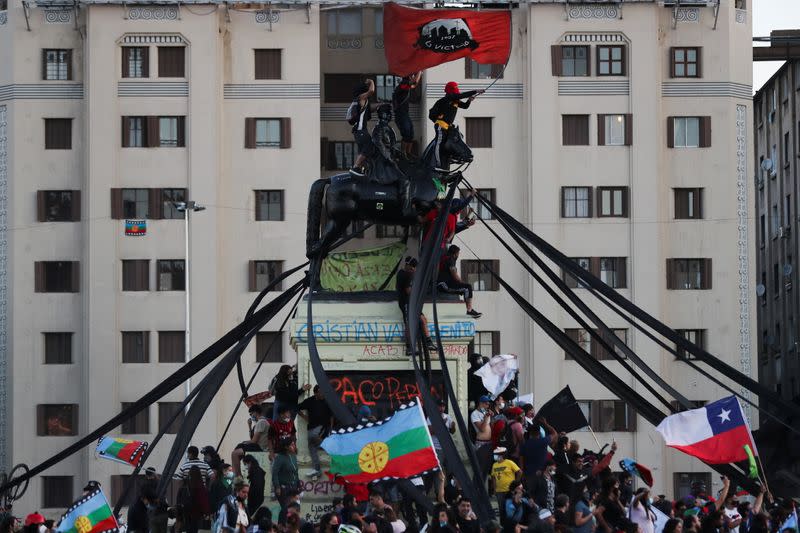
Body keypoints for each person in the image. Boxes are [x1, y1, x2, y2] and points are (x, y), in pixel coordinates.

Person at [428, 81, 485, 171]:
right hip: (441, 125)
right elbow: (460, 96)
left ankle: (451, 157)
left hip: (448, 127)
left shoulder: (455, 101)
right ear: (450, 92)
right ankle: (438, 164)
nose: (456, 93)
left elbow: (465, 106)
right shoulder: (448, 98)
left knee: (452, 142)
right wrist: (476, 91)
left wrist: (469, 100)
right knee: (439, 143)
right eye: (455, 91)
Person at [396, 256, 437, 355]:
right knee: (409, 324)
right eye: (412, 267)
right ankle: (410, 348)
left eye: (415, 267)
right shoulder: (406, 275)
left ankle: (428, 341)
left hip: (411, 303)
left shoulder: (403, 273)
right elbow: (408, 291)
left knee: (423, 319)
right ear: (407, 265)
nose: (414, 269)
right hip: (407, 303)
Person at [298, 384, 334, 479]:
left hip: (322, 427)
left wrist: (331, 428)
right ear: (316, 393)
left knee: (314, 436)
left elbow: (331, 416)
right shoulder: (310, 401)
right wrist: (304, 417)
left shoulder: (327, 402)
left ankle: (330, 449)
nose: (323, 394)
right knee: (311, 447)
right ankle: (317, 469)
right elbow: (297, 408)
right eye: (321, 392)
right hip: (311, 426)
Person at [437, 245, 481, 318]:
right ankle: (469, 311)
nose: (458, 255)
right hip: (443, 285)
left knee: (465, 289)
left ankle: (469, 310)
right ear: (455, 254)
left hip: (445, 283)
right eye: (458, 253)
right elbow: (454, 275)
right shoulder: (451, 260)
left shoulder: (445, 258)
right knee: (468, 287)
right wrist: (461, 282)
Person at [232, 404, 270, 476]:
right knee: (239, 448)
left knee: (235, 453)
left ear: (255, 412)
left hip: (260, 448)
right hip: (257, 446)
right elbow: (252, 438)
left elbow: (253, 441)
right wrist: (249, 426)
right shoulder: (259, 423)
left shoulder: (262, 422)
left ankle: (238, 476)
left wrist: (244, 442)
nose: (251, 416)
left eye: (251, 413)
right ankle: (237, 474)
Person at [349, 79, 377, 177]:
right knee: (369, 146)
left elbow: (370, 110)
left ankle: (361, 169)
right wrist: (372, 81)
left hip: (358, 131)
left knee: (363, 151)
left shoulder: (361, 101)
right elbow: (371, 91)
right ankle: (356, 167)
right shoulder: (361, 98)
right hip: (361, 131)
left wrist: (380, 105)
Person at [392, 71, 422, 159]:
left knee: (411, 134)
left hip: (405, 114)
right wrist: (419, 71)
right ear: (408, 78)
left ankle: (408, 153)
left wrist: (419, 74)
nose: (413, 77)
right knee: (406, 134)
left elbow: (414, 85)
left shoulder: (405, 86)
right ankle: (403, 153)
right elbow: (414, 82)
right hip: (400, 115)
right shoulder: (402, 85)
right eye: (411, 76)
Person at [177, 466, 210, 533]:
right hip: (196, 511)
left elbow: (179, 496)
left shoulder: (185, 483)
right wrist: (206, 512)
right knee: (194, 528)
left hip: (186, 510)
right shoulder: (199, 485)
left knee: (188, 528)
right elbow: (203, 500)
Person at [490, 447, 522, 513]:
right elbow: (493, 477)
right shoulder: (494, 465)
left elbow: (519, 472)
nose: (495, 456)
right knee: (501, 508)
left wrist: (516, 483)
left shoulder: (509, 462)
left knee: (510, 507)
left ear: (501, 455)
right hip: (499, 491)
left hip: (509, 490)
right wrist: (494, 489)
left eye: (496, 454)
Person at [272, 437, 299, 513]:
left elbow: (296, 472)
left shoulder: (293, 456)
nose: (294, 446)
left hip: (293, 487)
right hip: (283, 488)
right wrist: (277, 487)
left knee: (294, 508)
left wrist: (298, 484)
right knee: (286, 509)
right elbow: (275, 473)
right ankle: (283, 523)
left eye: (294, 444)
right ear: (286, 447)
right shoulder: (280, 458)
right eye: (291, 445)